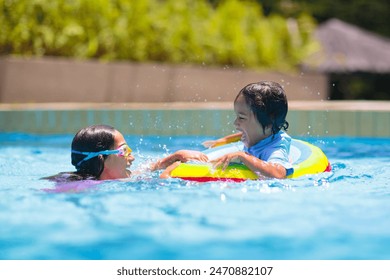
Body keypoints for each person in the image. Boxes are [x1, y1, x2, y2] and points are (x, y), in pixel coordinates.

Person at [43, 124, 208, 183]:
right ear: (102, 159)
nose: (132, 157)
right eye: (124, 151)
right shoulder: (85, 189)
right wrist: (165, 177)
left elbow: (143, 170)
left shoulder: (101, 178)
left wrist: (175, 156)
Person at [208, 81, 294, 179]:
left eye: (241, 117)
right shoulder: (261, 134)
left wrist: (243, 156)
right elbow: (242, 134)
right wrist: (225, 140)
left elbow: (278, 174)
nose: (235, 123)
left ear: (269, 124)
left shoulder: (275, 149)